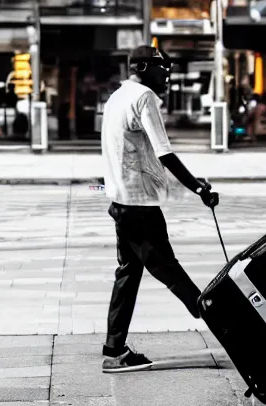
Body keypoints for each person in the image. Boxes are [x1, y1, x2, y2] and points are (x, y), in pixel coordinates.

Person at [100, 45, 219, 373]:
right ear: (141, 67)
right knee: (169, 270)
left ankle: (114, 351)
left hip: (123, 204)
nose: (166, 73)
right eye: (160, 67)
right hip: (139, 206)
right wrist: (197, 188)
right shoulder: (144, 98)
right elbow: (164, 152)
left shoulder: (116, 98)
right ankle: (228, 326)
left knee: (128, 275)